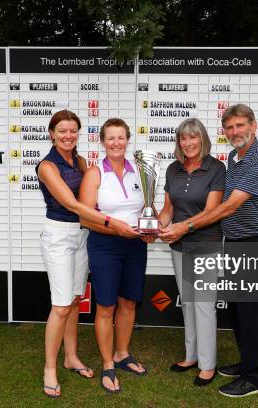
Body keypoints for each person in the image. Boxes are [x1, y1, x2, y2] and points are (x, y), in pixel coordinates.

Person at [158, 104, 258, 397]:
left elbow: (230, 206)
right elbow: (170, 207)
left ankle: (254, 377)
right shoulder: (236, 158)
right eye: (230, 127)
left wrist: (184, 227)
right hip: (234, 240)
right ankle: (248, 362)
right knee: (238, 309)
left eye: (240, 126)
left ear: (253, 126)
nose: (235, 132)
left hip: (254, 241)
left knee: (251, 310)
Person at [36, 110, 139, 398]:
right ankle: (50, 369)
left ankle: (71, 357)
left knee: (74, 299)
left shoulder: (80, 161)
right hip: (59, 235)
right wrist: (113, 222)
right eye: (62, 131)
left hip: (82, 236)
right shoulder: (47, 166)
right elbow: (73, 205)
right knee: (60, 305)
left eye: (73, 131)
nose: (68, 136)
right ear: (52, 134)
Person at [79, 118, 152, 394]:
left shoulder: (139, 171)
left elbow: (149, 207)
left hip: (135, 246)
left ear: (128, 140)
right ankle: (108, 364)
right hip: (105, 246)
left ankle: (122, 354)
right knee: (106, 307)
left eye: (121, 138)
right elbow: (86, 217)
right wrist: (115, 227)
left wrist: (150, 228)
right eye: (111, 138)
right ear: (102, 141)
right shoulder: (95, 173)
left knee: (129, 303)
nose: (116, 143)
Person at [157, 118, 226, 386]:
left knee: (204, 304)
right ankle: (192, 355)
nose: (188, 143)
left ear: (202, 139)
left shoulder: (216, 168)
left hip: (204, 243)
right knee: (187, 301)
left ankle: (208, 364)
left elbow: (211, 212)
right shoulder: (173, 169)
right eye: (183, 138)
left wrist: (181, 228)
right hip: (178, 245)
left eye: (193, 137)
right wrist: (159, 222)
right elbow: (168, 208)